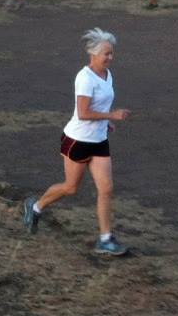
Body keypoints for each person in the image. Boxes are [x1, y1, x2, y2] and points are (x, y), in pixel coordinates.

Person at [23, 28, 131, 256]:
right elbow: (82, 113)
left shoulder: (107, 74)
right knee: (71, 188)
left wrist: (106, 121)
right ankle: (35, 206)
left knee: (106, 189)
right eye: (106, 54)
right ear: (93, 54)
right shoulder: (85, 78)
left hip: (99, 140)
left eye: (112, 53)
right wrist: (111, 116)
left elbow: (97, 106)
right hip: (77, 140)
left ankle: (105, 239)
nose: (110, 58)